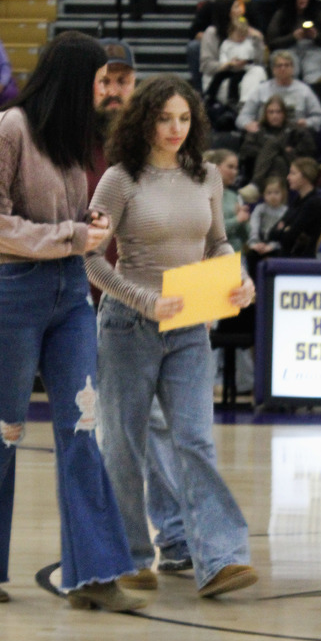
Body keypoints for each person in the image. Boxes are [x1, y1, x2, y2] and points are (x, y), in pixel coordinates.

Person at [0, 31, 145, 612]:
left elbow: (73, 223)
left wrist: (91, 225)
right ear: (71, 79)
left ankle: (95, 575)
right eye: (98, 81)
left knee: (82, 429)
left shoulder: (74, 140)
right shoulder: (8, 128)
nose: (104, 91)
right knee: (3, 432)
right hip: (11, 297)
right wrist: (70, 235)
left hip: (70, 297)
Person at [85, 74, 257, 598]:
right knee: (123, 446)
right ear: (145, 121)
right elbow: (90, 258)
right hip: (126, 325)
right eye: (165, 118)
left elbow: (219, 241)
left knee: (195, 440)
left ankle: (221, 559)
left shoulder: (206, 176)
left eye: (184, 118)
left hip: (189, 327)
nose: (175, 128)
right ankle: (129, 556)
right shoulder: (119, 179)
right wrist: (142, 300)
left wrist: (237, 278)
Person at [266, 0, 321, 100]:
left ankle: (318, 95)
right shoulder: (282, 14)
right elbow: (271, 42)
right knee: (288, 67)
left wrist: (316, 37)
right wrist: (293, 37)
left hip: (316, 50)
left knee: (313, 70)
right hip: (289, 49)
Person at [238, 94, 316, 199]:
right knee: (277, 159)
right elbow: (246, 150)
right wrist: (270, 153)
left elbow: (309, 149)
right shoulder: (258, 129)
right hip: (261, 168)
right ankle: (278, 197)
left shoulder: (295, 129)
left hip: (291, 167)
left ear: (284, 113)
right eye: (271, 112)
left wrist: (282, 150)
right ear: (265, 114)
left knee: (274, 144)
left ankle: (255, 185)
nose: (275, 115)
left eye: (278, 112)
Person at [236, 50, 321, 136]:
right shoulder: (261, 89)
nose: (283, 68)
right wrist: (247, 125)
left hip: (293, 136)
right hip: (265, 135)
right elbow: (242, 117)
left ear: (293, 69)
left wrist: (307, 123)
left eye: (287, 65)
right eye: (279, 66)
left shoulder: (304, 90)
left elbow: (320, 117)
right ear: (273, 70)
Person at [200, 0, 266, 108]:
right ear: (227, 11)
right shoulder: (212, 33)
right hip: (221, 75)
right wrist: (227, 64)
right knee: (229, 86)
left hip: (244, 72)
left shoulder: (247, 31)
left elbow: (259, 61)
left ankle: (245, 105)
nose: (241, 10)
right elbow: (206, 65)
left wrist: (257, 40)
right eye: (236, 7)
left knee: (258, 71)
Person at [263, 157, 321, 257]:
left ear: (305, 176)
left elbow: (290, 236)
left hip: (300, 259)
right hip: (288, 255)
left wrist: (283, 229)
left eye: (293, 173)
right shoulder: (297, 200)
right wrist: (285, 229)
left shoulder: (313, 203)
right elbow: (272, 233)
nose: (288, 177)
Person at [204, 148, 250, 251]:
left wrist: (245, 221)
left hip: (235, 253)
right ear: (216, 167)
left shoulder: (234, 196)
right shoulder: (205, 194)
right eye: (230, 167)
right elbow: (211, 232)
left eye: (236, 168)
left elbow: (245, 236)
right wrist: (237, 220)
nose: (234, 172)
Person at [245, 176, 288, 278]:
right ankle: (254, 285)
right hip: (259, 242)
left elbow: (283, 235)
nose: (273, 196)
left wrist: (272, 246)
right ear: (264, 195)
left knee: (279, 255)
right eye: (269, 193)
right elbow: (253, 226)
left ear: (283, 194)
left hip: (276, 245)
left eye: (276, 193)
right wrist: (254, 243)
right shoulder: (260, 209)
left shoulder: (285, 212)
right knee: (251, 256)